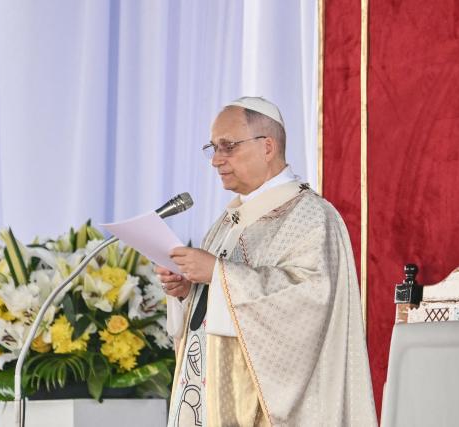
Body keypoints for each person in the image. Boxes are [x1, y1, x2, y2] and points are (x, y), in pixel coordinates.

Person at [155, 96, 377, 427]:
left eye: (227, 146)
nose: (216, 160)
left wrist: (218, 274)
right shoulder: (228, 221)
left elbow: (308, 303)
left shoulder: (311, 216)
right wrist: (189, 291)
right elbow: (213, 313)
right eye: (212, 148)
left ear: (268, 147)